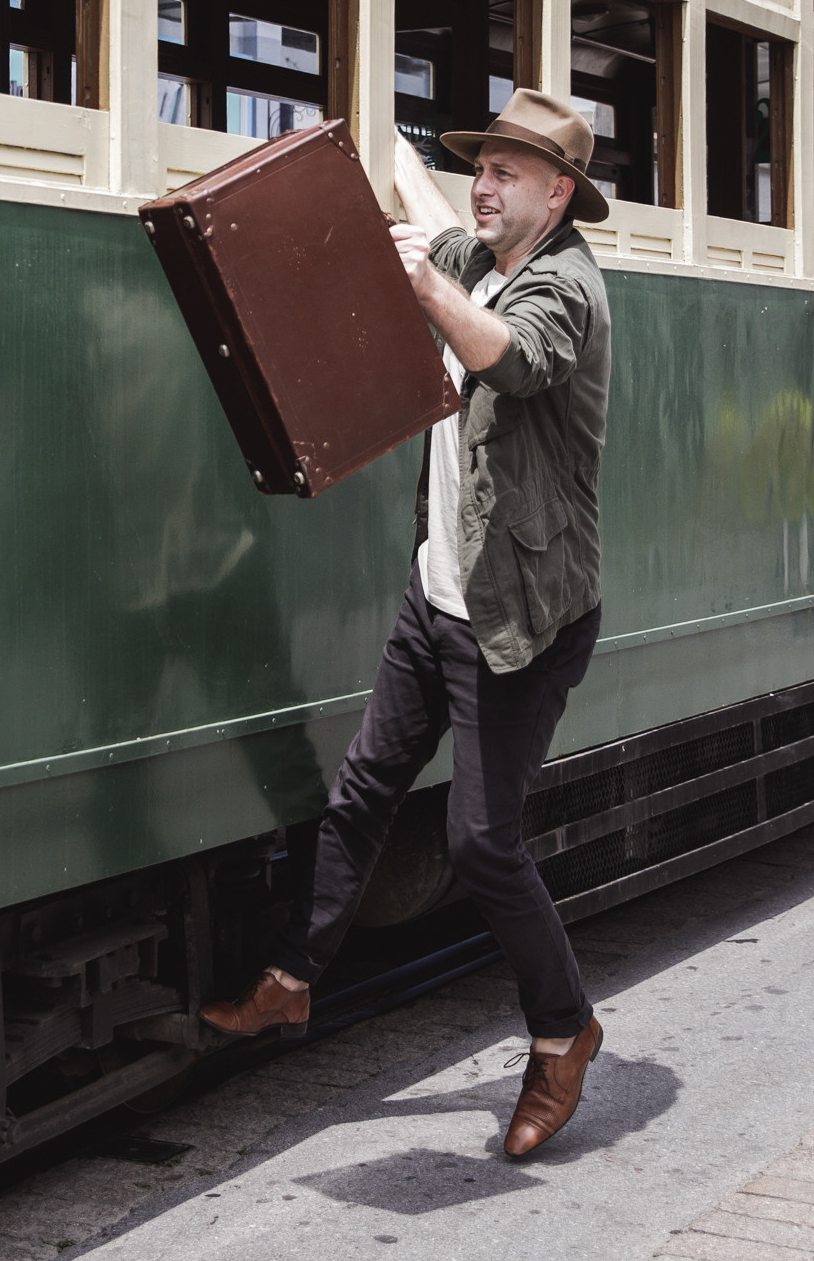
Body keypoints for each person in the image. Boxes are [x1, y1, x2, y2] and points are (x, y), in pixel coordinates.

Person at [198, 89, 615, 1159]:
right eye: (480, 168)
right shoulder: (479, 251)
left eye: (507, 174)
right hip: (439, 595)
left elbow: (505, 359)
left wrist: (425, 286)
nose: (482, 186)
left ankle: (564, 1031)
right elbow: (424, 203)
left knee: (482, 840)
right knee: (361, 793)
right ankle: (291, 981)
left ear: (557, 193)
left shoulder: (564, 288)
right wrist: (364, 120)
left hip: (518, 620)